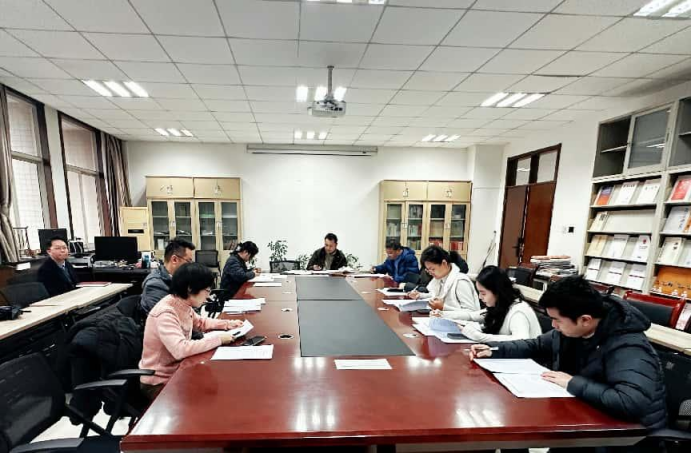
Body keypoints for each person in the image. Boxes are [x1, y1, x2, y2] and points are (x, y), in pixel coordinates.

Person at [469, 275, 667, 430]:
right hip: (584, 419)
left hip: (627, 437)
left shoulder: (628, 346)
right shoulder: (570, 331)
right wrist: (493, 349)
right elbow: (535, 345)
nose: (553, 326)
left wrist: (572, 382)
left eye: (557, 320)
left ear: (585, 320)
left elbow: (630, 402)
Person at [139, 263, 243, 400]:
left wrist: (228, 324)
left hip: (178, 371)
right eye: (207, 290)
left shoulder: (183, 304)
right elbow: (180, 349)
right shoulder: (166, 312)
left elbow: (200, 323)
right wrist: (218, 339)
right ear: (190, 289)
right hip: (159, 382)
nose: (208, 296)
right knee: (214, 396)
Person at [452, 266, 541, 343]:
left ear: (497, 292)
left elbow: (521, 340)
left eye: (483, 293)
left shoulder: (518, 311)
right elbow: (473, 316)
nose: (480, 297)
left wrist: (478, 336)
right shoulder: (499, 306)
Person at [408, 246, 480, 321]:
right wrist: (420, 295)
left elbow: (472, 313)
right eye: (428, 270)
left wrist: (443, 308)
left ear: (444, 263)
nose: (430, 273)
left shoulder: (461, 281)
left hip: (461, 325)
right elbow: (437, 295)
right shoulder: (441, 279)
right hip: (444, 321)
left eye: (432, 269)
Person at [140, 238, 196, 315]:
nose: (190, 266)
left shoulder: (177, 278)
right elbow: (167, 318)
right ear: (174, 259)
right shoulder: (155, 286)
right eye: (188, 261)